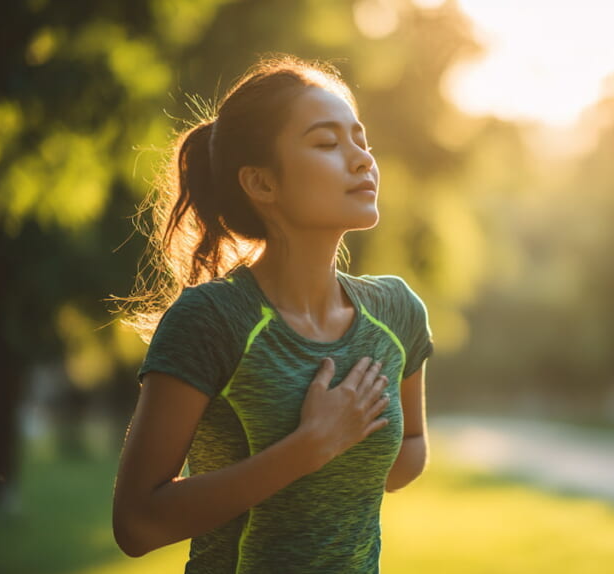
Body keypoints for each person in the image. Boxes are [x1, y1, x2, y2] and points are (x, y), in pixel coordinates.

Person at [111, 54, 434, 573]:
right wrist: (309, 449)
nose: (361, 159)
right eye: (328, 143)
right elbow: (136, 523)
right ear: (262, 184)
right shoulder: (213, 319)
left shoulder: (398, 314)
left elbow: (410, 449)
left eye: (361, 140)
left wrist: (354, 446)